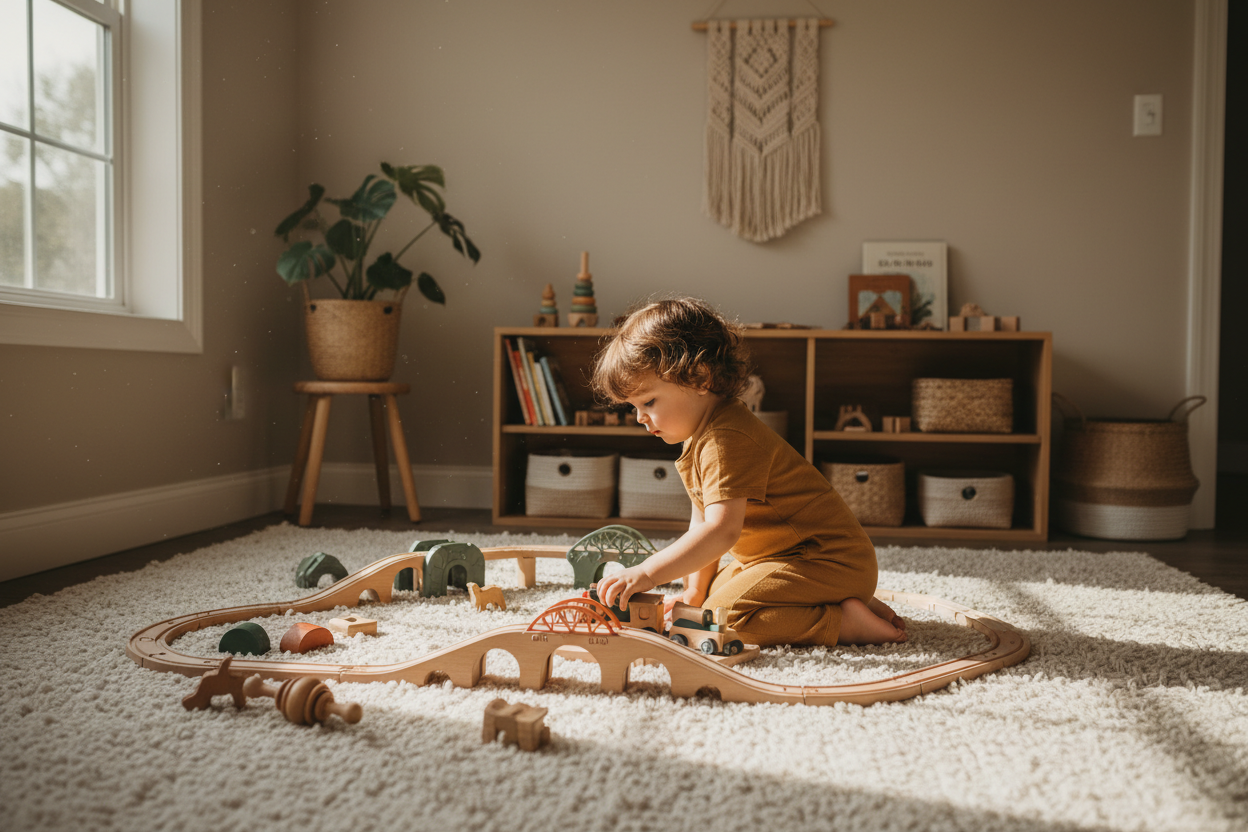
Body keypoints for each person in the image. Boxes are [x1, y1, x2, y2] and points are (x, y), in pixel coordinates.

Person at [591, 297, 906, 647]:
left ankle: (841, 621)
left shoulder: (727, 439)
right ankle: (842, 599)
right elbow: (701, 524)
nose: (640, 417)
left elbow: (720, 532)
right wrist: (694, 590)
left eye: (648, 402)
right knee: (707, 597)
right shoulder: (698, 437)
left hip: (826, 559)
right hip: (784, 560)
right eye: (633, 407)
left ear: (699, 378)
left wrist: (647, 572)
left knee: (719, 622)